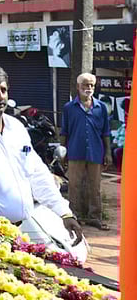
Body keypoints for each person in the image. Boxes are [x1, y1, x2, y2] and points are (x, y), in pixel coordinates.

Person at [0, 66, 83, 243]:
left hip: (21, 230)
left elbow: (36, 174)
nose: (1, 96)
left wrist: (64, 213)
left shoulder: (16, 127)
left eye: (3, 90)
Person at [60, 73, 112, 230]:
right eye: (85, 85)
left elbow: (106, 132)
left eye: (91, 85)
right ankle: (75, 216)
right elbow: (64, 132)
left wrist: (108, 152)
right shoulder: (69, 108)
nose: (88, 88)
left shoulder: (101, 107)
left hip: (96, 152)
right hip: (75, 152)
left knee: (94, 187)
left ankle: (94, 217)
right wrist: (62, 151)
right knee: (74, 186)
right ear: (78, 87)